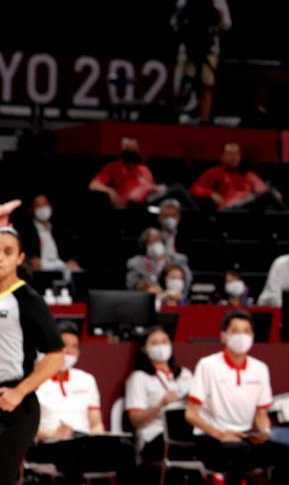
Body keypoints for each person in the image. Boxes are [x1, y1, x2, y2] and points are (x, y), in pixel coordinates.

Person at [185, 310, 289, 485]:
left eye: (246, 331)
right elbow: (191, 414)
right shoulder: (208, 365)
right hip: (211, 439)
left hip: (243, 437)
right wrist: (219, 434)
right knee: (240, 451)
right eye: (235, 330)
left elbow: (261, 413)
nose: (242, 336)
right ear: (223, 336)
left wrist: (264, 432)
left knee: (284, 452)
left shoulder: (260, 368)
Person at [0, 206, 66, 485]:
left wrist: (19, 391)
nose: (0, 258)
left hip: (12, 404)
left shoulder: (27, 299)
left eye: (7, 252)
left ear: (20, 258)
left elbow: (55, 356)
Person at [28, 322, 135, 483]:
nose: (69, 351)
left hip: (84, 440)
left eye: (74, 346)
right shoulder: (35, 380)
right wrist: (51, 434)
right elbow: (28, 426)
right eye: (64, 345)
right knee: (75, 456)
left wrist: (98, 433)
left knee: (125, 448)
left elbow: (96, 421)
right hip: (49, 443)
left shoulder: (86, 379)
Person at [170, 0, 232, 123]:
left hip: (209, 47)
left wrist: (218, 15)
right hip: (188, 45)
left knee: (207, 84)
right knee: (183, 82)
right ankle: (175, 116)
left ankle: (204, 119)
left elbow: (227, 24)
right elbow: (174, 22)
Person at [124, 326, 194, 463]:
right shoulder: (139, 377)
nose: (161, 346)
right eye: (154, 343)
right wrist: (161, 404)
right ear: (144, 348)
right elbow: (135, 420)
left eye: (164, 342)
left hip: (187, 433)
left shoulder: (185, 374)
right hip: (154, 435)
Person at [88, 136, 189, 209]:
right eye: (127, 148)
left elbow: (150, 185)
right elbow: (93, 185)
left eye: (132, 148)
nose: (130, 151)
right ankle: (198, 215)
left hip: (150, 199)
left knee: (175, 202)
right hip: (133, 201)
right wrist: (110, 191)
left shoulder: (144, 169)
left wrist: (158, 188)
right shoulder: (114, 167)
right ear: (121, 150)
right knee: (178, 189)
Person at [190, 142, 286, 212]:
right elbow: (194, 189)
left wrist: (274, 194)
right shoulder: (215, 172)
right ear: (222, 156)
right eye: (230, 154)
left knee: (271, 196)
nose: (234, 157)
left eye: (236, 154)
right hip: (230, 210)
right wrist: (211, 193)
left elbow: (263, 190)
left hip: (250, 210)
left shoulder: (248, 175)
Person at [17, 194, 81, 275]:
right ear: (32, 209)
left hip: (61, 266)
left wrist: (72, 261)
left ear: (50, 206)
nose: (43, 208)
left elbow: (69, 250)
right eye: (38, 205)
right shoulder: (26, 230)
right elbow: (24, 251)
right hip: (41, 267)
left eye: (45, 204)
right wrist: (30, 259)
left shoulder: (59, 229)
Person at [126, 227, 192, 293]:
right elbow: (131, 282)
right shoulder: (137, 262)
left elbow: (187, 279)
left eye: (157, 239)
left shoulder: (176, 259)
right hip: (148, 298)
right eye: (151, 241)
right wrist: (144, 286)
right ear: (145, 245)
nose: (156, 243)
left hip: (173, 297)